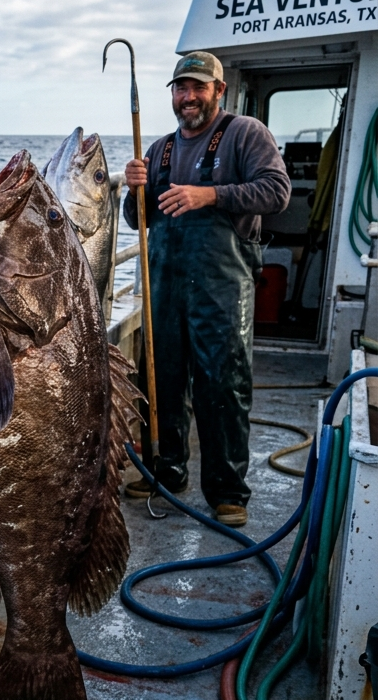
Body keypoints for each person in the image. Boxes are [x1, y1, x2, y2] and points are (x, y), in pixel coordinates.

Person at [122, 51, 291, 527]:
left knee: (223, 385)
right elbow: (138, 221)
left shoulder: (245, 134)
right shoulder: (159, 150)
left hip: (221, 287)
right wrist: (131, 190)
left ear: (219, 91)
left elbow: (277, 192)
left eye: (198, 88)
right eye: (180, 88)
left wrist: (210, 194)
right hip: (166, 288)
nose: (188, 97)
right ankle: (167, 471)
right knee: (162, 380)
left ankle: (227, 490)